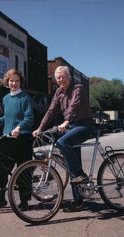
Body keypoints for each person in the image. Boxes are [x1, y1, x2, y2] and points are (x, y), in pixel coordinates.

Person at [33, 65, 93, 212]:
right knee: (70, 162)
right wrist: (40, 128)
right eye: (58, 78)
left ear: (69, 77)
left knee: (62, 142)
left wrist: (66, 121)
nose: (60, 80)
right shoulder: (59, 92)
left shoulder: (78, 88)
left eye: (63, 77)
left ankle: (81, 175)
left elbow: (74, 106)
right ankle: (78, 201)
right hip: (70, 127)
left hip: (84, 126)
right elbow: (51, 110)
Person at [0, 69, 34, 210]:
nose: (14, 83)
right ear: (7, 82)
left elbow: (29, 117)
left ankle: (24, 202)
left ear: (21, 82)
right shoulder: (6, 98)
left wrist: (19, 128)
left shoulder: (25, 97)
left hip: (23, 137)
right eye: (11, 80)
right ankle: (1, 199)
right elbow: (8, 117)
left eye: (17, 80)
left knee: (22, 170)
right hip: (8, 138)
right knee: (2, 169)